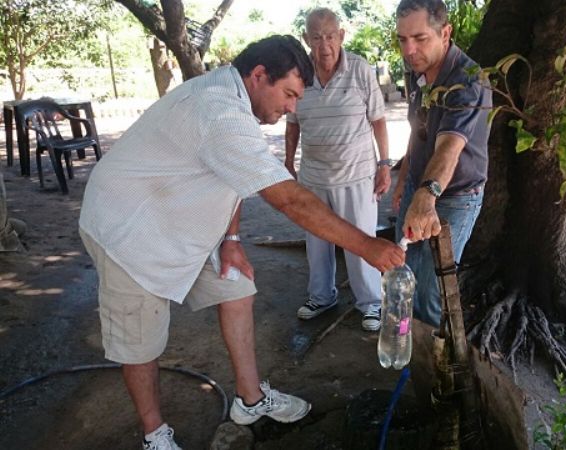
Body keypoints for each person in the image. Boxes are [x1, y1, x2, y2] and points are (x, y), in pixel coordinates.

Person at [79, 36, 404, 450]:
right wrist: (368, 246)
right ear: (259, 76)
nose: (292, 108)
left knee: (237, 288)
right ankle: (154, 433)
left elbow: (232, 176)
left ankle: (250, 401)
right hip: (130, 228)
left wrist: (231, 238)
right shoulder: (219, 111)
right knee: (140, 341)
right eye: (289, 94)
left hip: (181, 217)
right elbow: (289, 200)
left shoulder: (235, 98)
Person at [285, 8, 392, 331]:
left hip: (357, 175)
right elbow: (292, 123)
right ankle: (321, 296)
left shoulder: (360, 69)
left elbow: (378, 120)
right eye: (317, 37)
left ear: (341, 36)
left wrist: (384, 164)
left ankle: (371, 303)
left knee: (361, 241)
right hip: (314, 176)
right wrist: (288, 161)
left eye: (330, 36)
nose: (324, 45)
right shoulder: (299, 73)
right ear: (306, 39)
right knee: (317, 242)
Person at [392, 0, 491, 327]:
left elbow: (449, 147)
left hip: (455, 195)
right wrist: (405, 179)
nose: (409, 50)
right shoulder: (417, 71)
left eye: (420, 38)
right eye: (403, 39)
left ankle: (432, 351)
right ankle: (404, 339)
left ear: (445, 33)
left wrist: (426, 195)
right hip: (418, 184)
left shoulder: (468, 81)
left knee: (432, 290)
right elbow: (417, 129)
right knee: (403, 273)